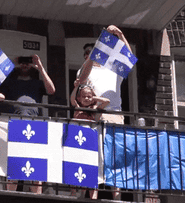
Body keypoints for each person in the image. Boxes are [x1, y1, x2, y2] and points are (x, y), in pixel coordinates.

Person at [76, 25, 132, 200]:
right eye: (86, 52)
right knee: (94, 156)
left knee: (115, 156)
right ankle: (92, 196)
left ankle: (116, 197)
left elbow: (129, 58)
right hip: (94, 115)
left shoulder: (114, 68)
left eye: (91, 51)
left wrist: (120, 34)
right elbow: (82, 81)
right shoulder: (84, 70)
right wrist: (92, 58)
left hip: (114, 114)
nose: (88, 54)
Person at [0, 54, 55, 194]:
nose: (25, 65)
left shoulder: (37, 83)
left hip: (35, 125)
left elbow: (51, 90)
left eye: (27, 62)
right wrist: (11, 64)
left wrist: (40, 67)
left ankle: (37, 197)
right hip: (15, 124)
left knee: (36, 165)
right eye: (22, 62)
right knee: (15, 164)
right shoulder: (11, 82)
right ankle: (11, 196)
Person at [70, 80, 109, 199]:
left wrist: (94, 98)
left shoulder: (94, 112)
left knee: (91, 170)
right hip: (77, 144)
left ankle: (93, 197)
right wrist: (76, 87)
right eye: (84, 96)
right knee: (77, 168)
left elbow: (107, 101)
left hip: (90, 146)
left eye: (88, 96)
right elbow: (72, 99)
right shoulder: (77, 109)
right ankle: (76, 195)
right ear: (79, 98)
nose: (86, 98)